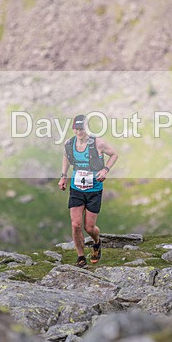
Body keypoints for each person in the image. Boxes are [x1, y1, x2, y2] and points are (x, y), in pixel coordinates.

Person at [58, 114, 119, 267]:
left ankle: (97, 242)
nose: (80, 132)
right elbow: (66, 157)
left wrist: (105, 170)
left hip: (94, 189)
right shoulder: (69, 143)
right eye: (77, 129)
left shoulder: (98, 143)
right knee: (76, 225)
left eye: (82, 128)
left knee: (89, 227)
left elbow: (114, 154)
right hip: (76, 188)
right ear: (73, 129)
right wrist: (63, 176)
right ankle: (80, 257)